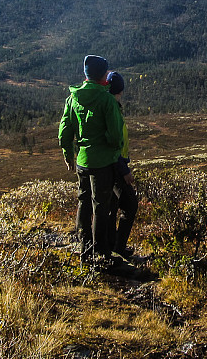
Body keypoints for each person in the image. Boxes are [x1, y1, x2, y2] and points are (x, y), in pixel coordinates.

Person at [59, 55, 125, 266]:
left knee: (83, 203)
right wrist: (110, 147)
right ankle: (102, 253)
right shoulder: (106, 100)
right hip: (102, 163)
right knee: (101, 207)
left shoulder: (73, 98)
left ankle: (84, 247)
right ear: (103, 75)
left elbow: (64, 131)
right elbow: (116, 137)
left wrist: (68, 154)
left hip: (82, 161)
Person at [105, 71, 139, 259]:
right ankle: (117, 248)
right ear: (121, 90)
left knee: (113, 204)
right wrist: (124, 169)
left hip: (113, 164)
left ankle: (112, 245)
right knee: (130, 205)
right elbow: (115, 143)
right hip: (116, 166)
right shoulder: (112, 108)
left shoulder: (110, 106)